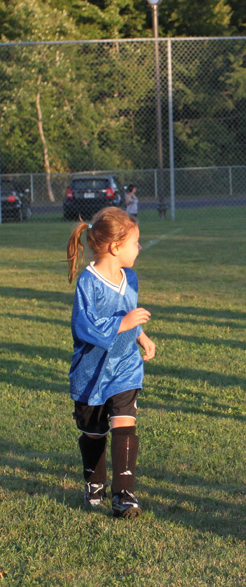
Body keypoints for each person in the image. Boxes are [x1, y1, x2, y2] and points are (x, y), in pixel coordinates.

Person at [66, 206, 156, 517]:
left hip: (125, 366)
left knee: (124, 423)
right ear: (115, 247)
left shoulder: (130, 277)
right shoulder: (87, 283)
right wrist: (124, 324)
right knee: (93, 432)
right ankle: (94, 481)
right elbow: (84, 327)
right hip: (91, 371)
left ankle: (124, 494)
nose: (140, 248)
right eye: (136, 242)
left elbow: (129, 312)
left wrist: (141, 336)